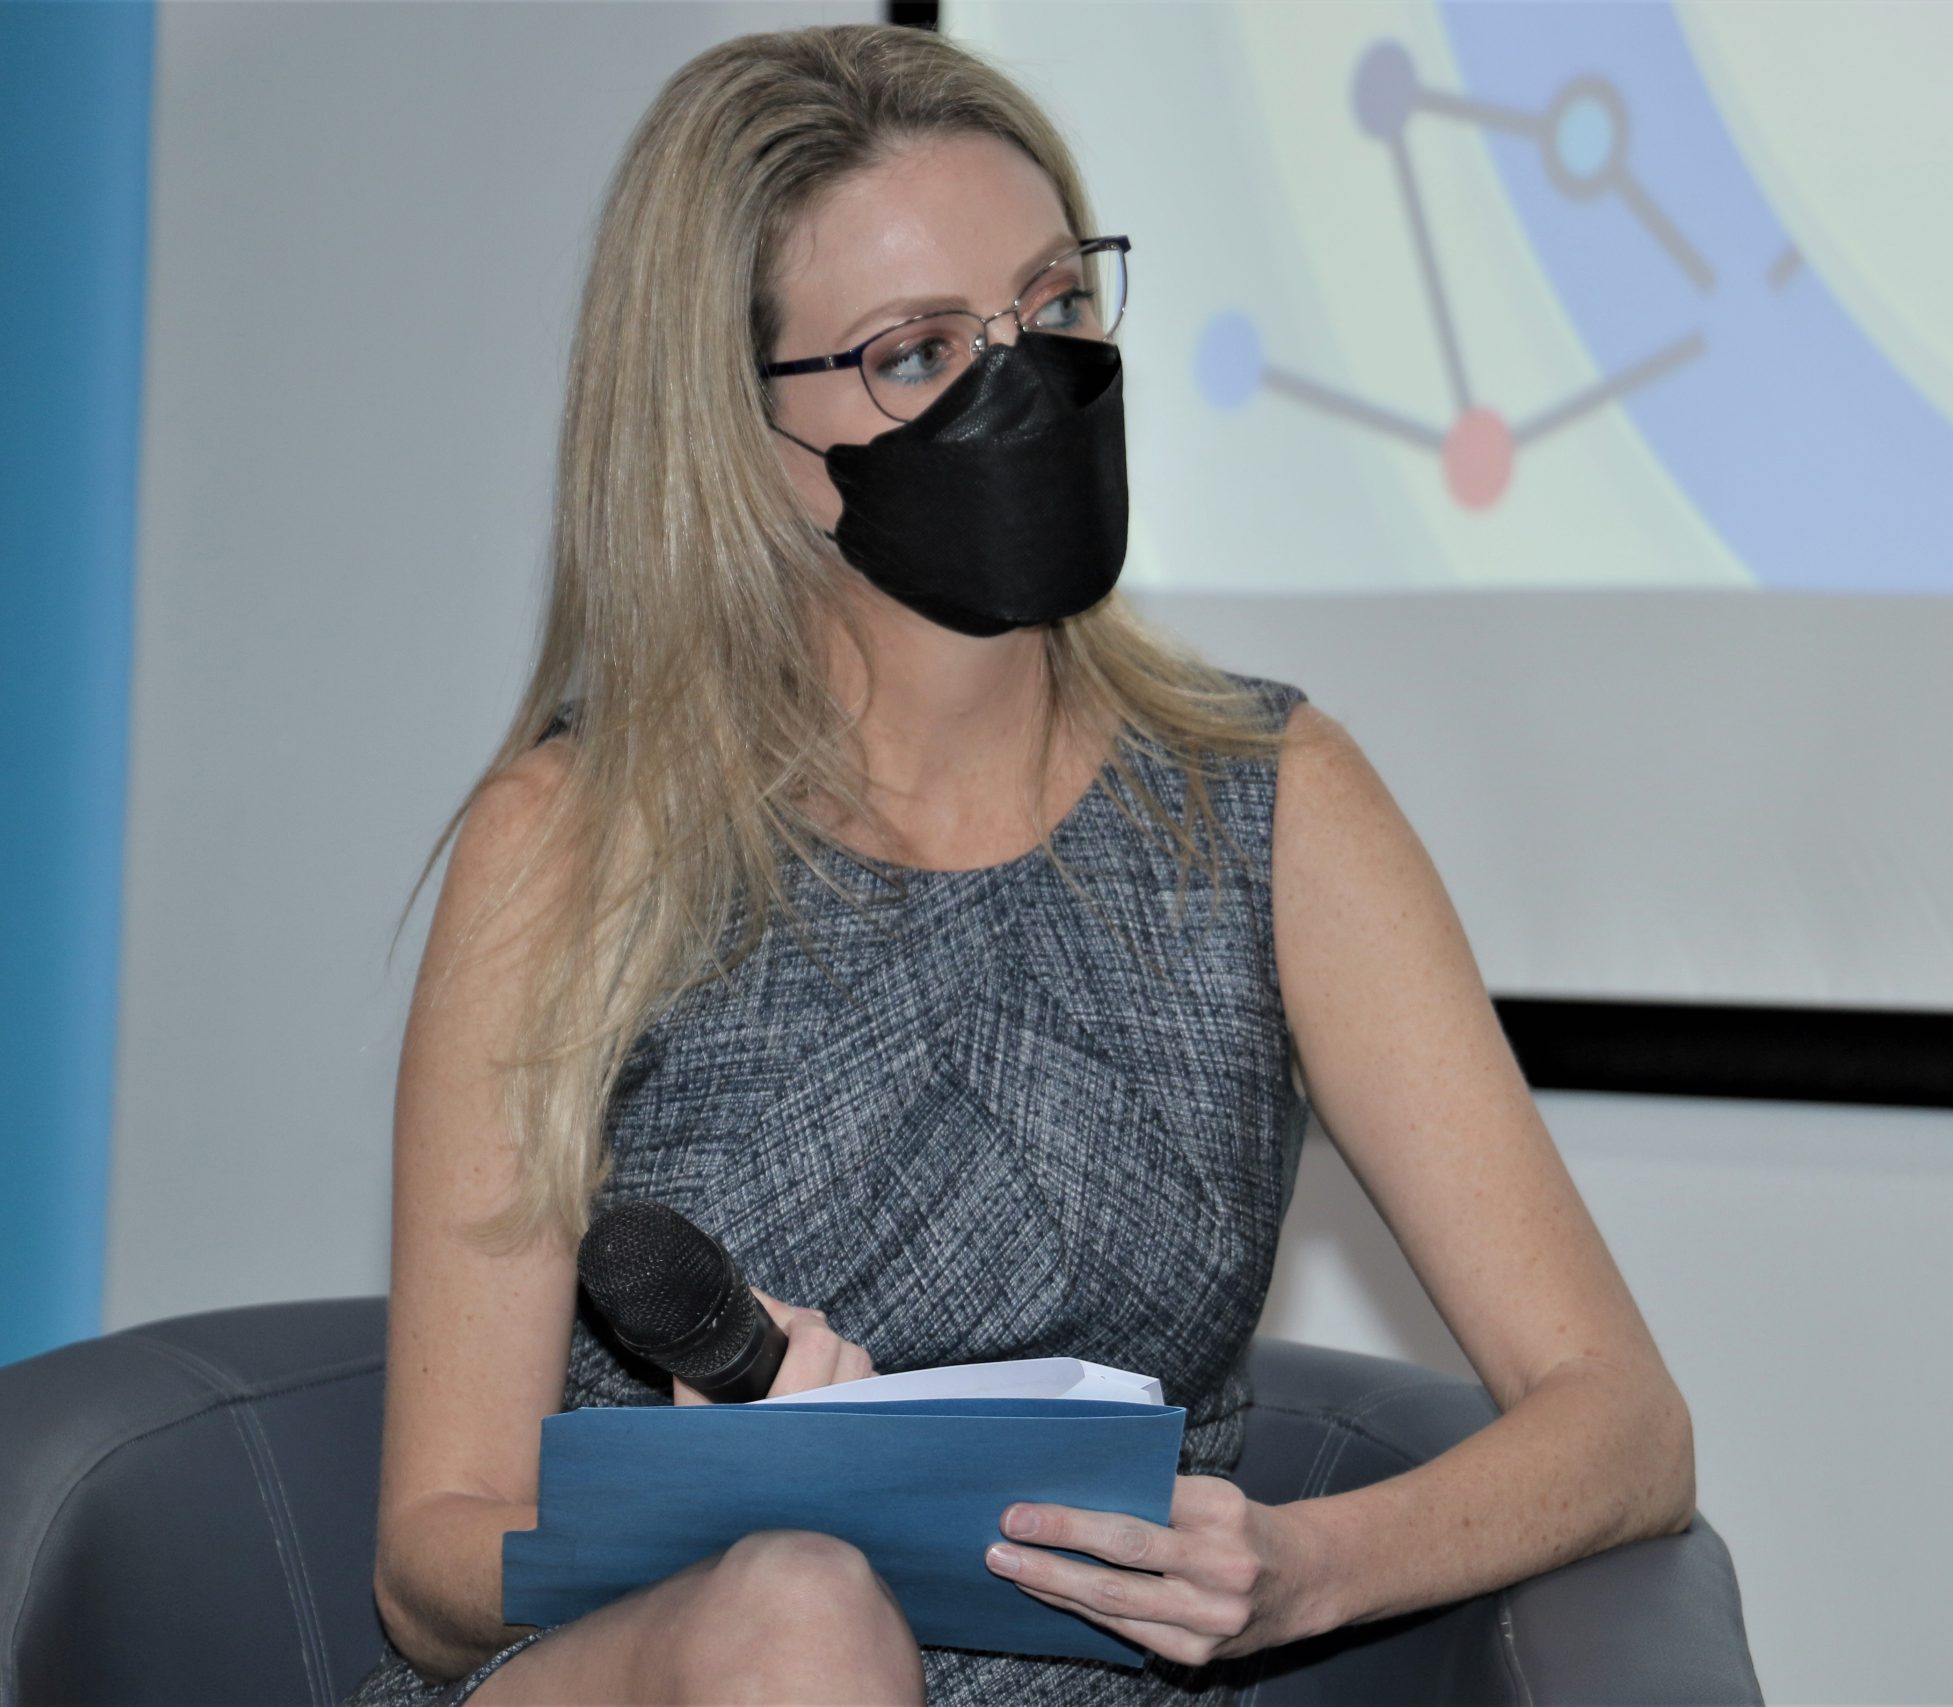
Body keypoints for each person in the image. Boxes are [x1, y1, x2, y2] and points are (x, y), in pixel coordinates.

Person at [343, 21, 1694, 1707]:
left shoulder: (1274, 806)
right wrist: (709, 1525)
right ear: (740, 435)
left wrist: (1304, 1570)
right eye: (918, 352)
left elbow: (1625, 1424)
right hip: (650, 1669)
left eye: (1054, 306)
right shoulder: (568, 844)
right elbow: (430, 1562)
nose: (1025, 381)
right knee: (797, 1611)